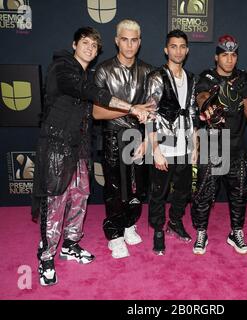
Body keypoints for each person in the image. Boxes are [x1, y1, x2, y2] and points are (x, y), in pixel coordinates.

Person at [32, 27, 152, 286]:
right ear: (74, 44)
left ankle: (71, 245)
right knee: (54, 202)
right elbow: (91, 94)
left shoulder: (87, 74)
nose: (89, 48)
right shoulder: (63, 68)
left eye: (94, 45)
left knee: (80, 197)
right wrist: (131, 107)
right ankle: (46, 256)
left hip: (80, 148)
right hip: (56, 145)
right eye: (84, 42)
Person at [93, 19, 154, 259]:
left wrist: (148, 139)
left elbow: (151, 110)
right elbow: (97, 112)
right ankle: (115, 235)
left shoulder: (148, 71)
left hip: (138, 138)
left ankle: (129, 225)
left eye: (134, 40)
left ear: (139, 42)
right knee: (115, 189)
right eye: (125, 39)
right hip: (113, 137)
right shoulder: (103, 70)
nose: (129, 45)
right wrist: (131, 109)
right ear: (117, 40)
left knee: (138, 187)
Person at [191, 34, 247, 255]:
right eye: (225, 55)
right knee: (204, 193)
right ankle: (201, 232)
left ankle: (235, 232)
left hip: (235, 146)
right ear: (216, 57)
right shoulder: (207, 77)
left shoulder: (244, 79)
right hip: (211, 145)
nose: (229, 59)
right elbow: (201, 96)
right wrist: (206, 102)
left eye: (233, 55)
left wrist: (245, 93)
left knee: (238, 193)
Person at [145, 29, 198, 255]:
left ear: (187, 50)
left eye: (181, 46)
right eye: (173, 46)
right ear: (166, 50)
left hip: (185, 145)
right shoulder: (157, 77)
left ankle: (175, 222)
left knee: (183, 191)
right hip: (163, 146)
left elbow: (194, 113)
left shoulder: (192, 78)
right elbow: (149, 114)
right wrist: (155, 150)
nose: (178, 50)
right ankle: (158, 229)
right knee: (159, 192)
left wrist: (195, 146)